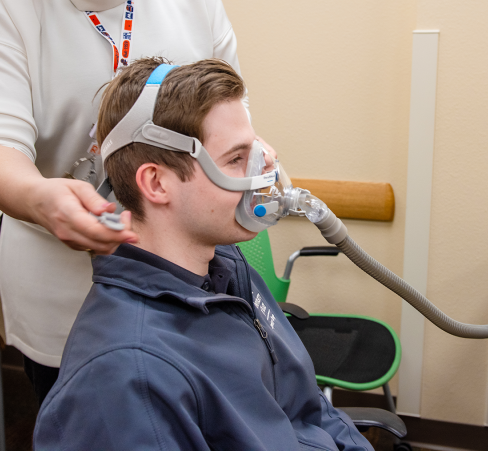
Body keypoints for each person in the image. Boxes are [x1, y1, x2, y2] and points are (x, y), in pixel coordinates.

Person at [0, 0, 270, 402]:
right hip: (64, 288)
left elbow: (232, 113)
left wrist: (248, 165)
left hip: (186, 275)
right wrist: (39, 198)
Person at [32, 57, 373, 451]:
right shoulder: (129, 374)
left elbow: (306, 407)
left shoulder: (227, 268)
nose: (262, 174)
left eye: (255, 152)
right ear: (156, 183)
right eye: (236, 159)